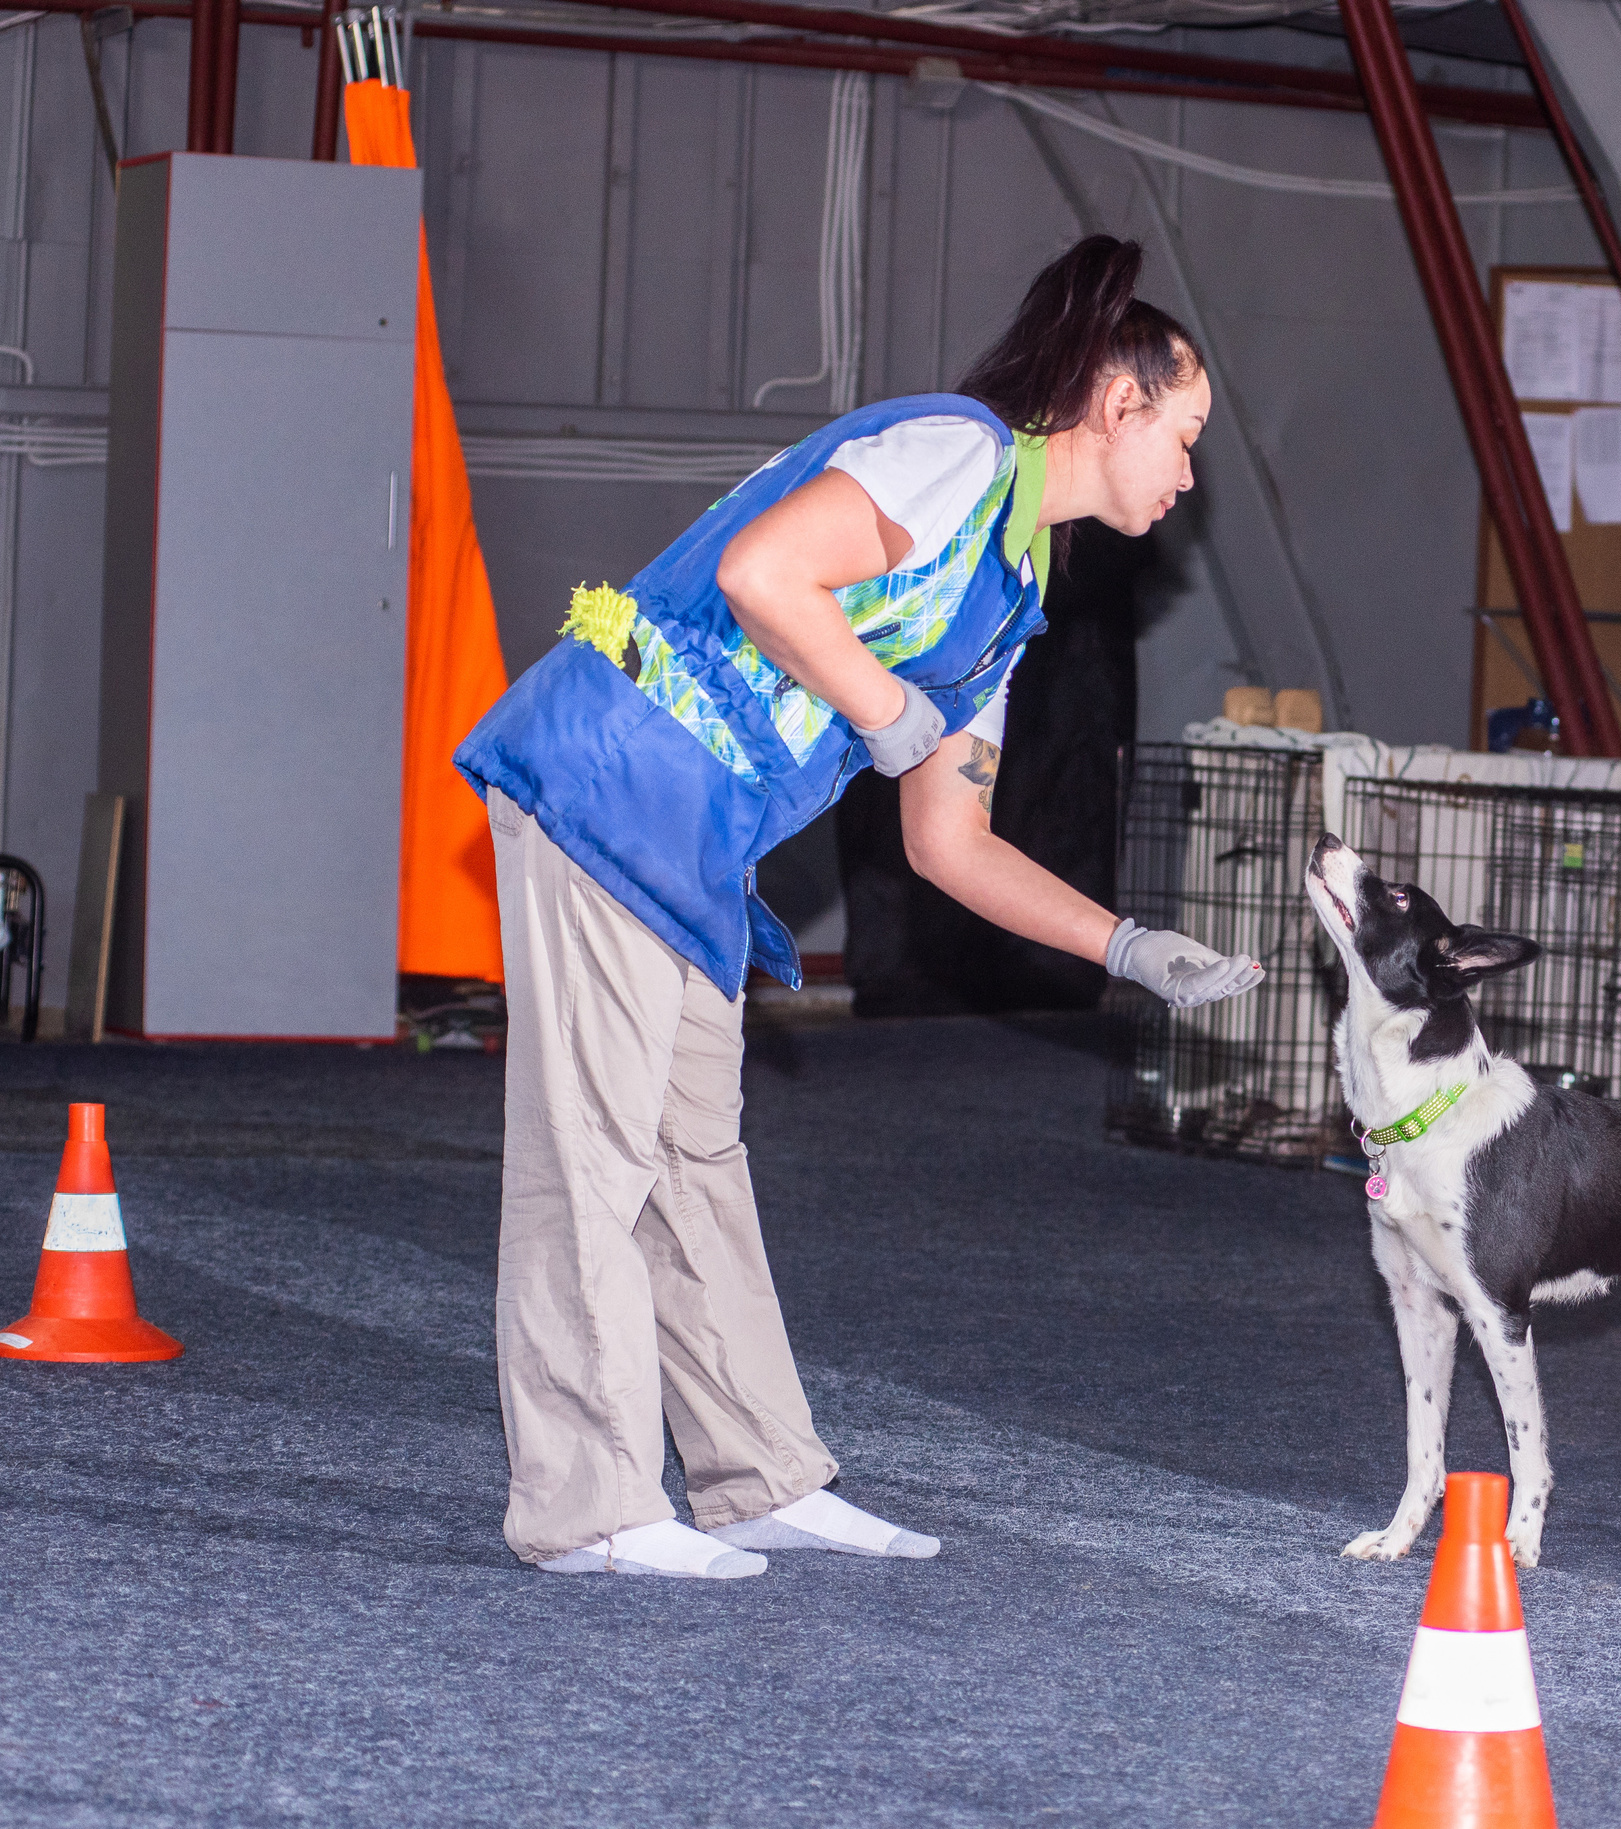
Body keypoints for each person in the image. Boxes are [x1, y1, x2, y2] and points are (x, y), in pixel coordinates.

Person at [454, 236, 1264, 1579]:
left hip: (694, 835)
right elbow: (765, 573)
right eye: (1182, 435)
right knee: (591, 1155)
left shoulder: (1009, 596)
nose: (1188, 475)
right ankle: (585, 1503)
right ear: (1116, 408)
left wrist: (1122, 944)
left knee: (693, 1155)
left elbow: (950, 838)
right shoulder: (950, 453)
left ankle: (757, 1476)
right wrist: (889, 711)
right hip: (609, 771)